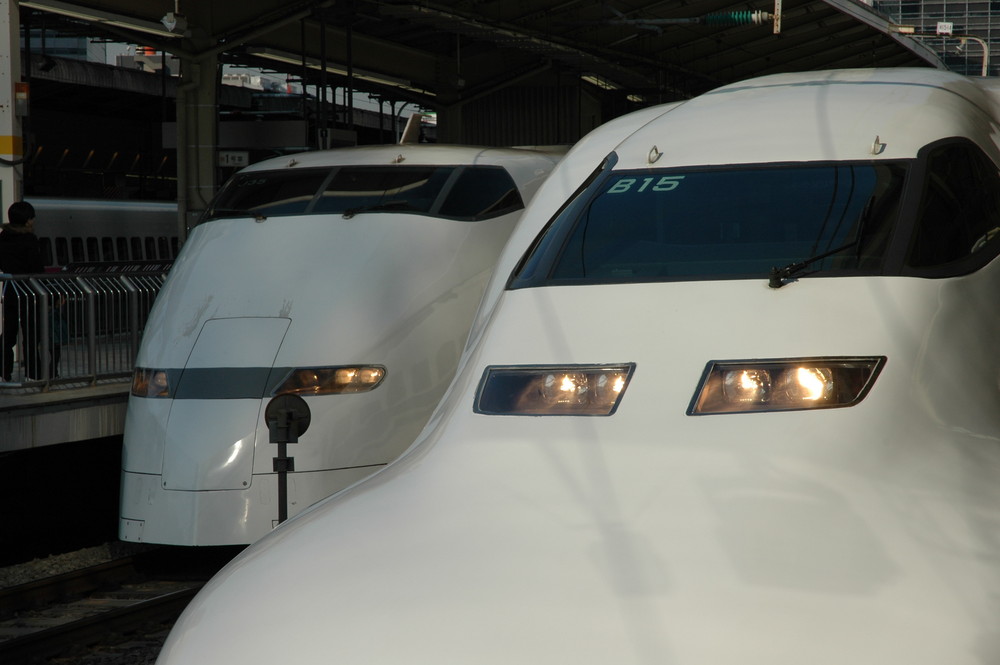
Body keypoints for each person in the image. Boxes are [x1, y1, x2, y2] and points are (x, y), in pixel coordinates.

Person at [0, 201, 44, 381]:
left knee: (9, 334)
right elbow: (36, 267)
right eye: (32, 218)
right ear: (27, 221)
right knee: (31, 335)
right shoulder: (29, 240)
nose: (33, 222)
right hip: (29, 291)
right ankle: (33, 374)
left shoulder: (2, 238)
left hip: (10, 290)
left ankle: (4, 372)